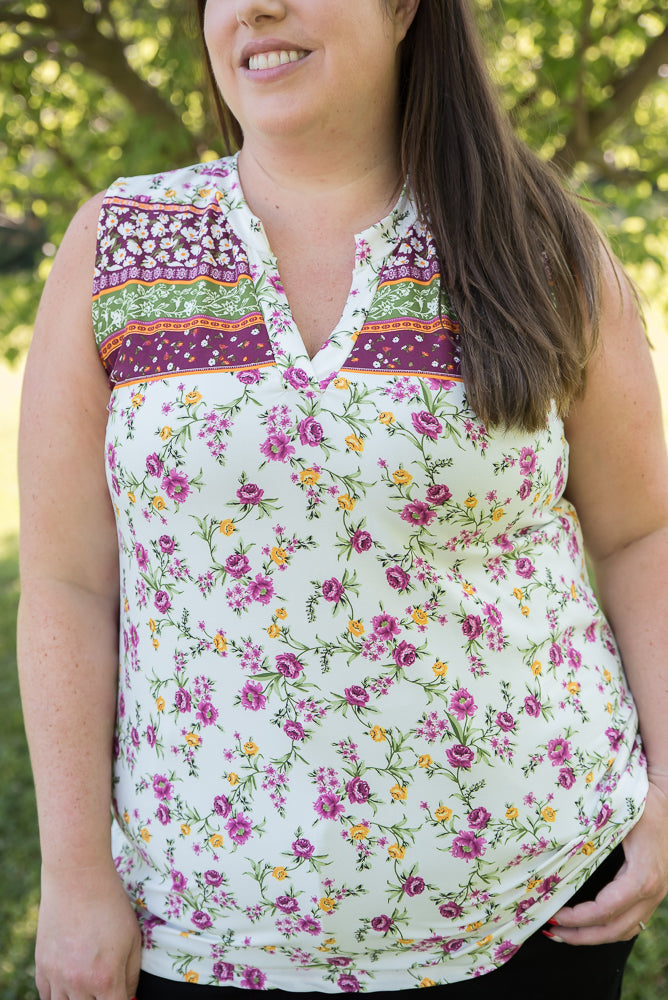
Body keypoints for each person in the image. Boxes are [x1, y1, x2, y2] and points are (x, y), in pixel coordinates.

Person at [17, 1, 668, 998]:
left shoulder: (535, 244)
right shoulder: (120, 249)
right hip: (200, 930)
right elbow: (64, 579)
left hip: (533, 911)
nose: (254, 8)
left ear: (405, 8)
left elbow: (639, 535)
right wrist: (71, 874)